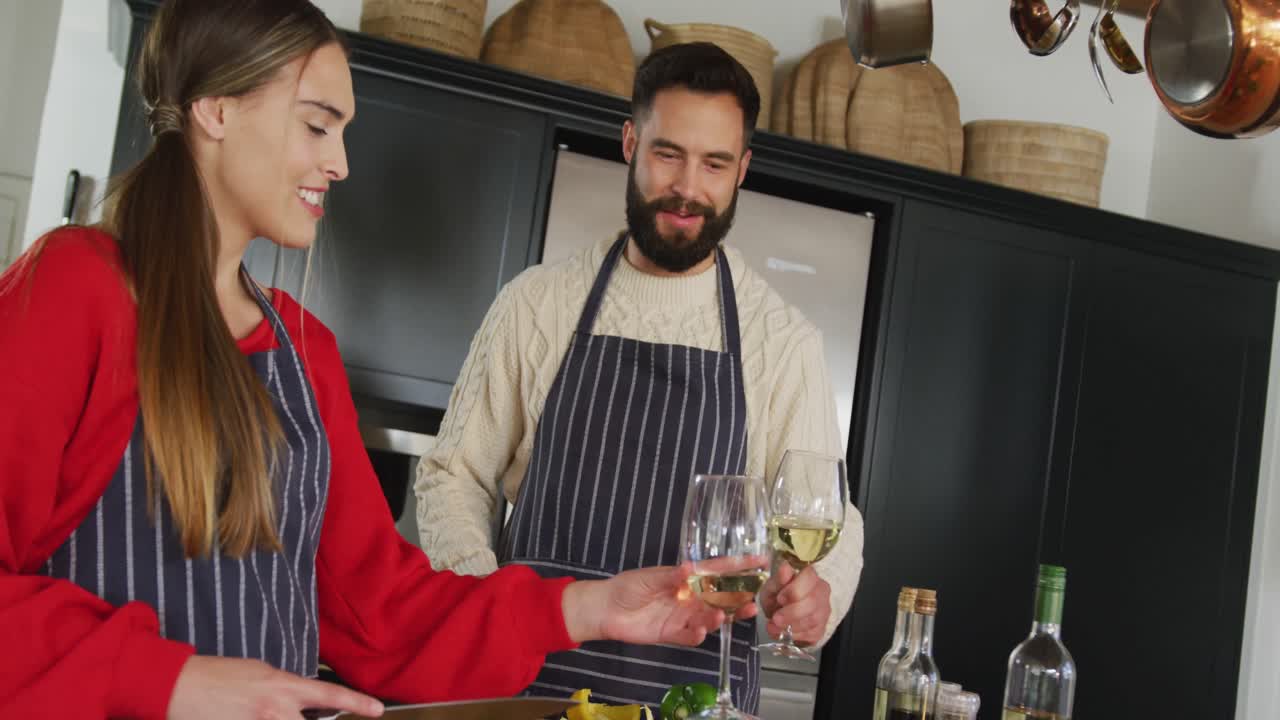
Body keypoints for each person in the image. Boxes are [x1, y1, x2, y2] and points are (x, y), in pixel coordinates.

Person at [0, 2, 752, 718]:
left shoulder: (302, 351)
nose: (341, 163)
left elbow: (382, 612)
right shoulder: (80, 289)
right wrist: (170, 684)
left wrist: (589, 606)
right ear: (217, 108)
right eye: (318, 126)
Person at [415, 42, 866, 713]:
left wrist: (814, 591)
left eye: (714, 163)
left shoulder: (781, 341)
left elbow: (831, 521)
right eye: (668, 154)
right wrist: (490, 610)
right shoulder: (536, 304)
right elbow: (453, 476)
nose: (688, 188)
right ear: (630, 142)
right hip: (527, 695)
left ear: (742, 169)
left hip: (697, 699)